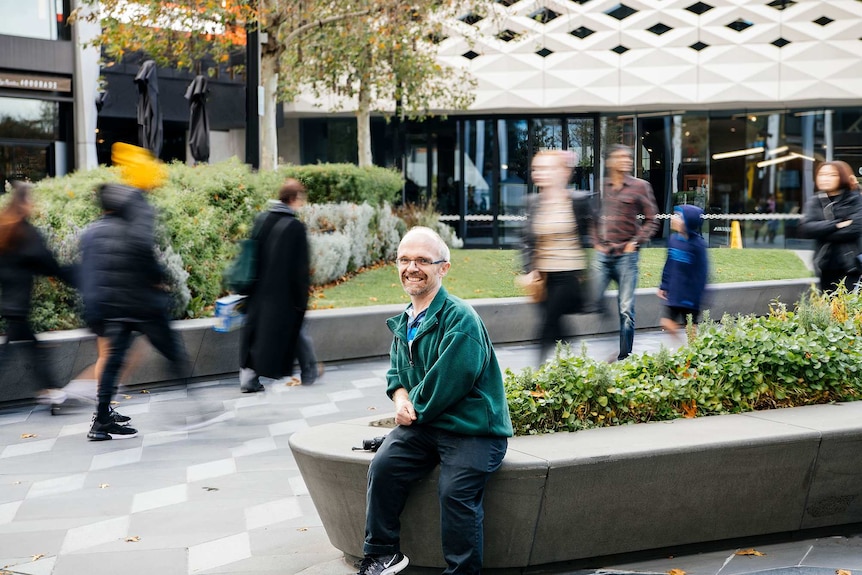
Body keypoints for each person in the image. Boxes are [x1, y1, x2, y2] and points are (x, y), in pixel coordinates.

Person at [358, 226, 512, 575]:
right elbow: (397, 377)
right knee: (383, 468)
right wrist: (400, 400)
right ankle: (383, 554)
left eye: (423, 260)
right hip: (426, 424)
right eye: (404, 259)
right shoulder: (406, 320)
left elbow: (448, 384)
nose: (412, 268)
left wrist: (411, 412)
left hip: (474, 431)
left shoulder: (460, 319)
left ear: (443, 268)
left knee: (455, 494)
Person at [79, 181, 189, 440]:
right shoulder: (128, 229)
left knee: (112, 360)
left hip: (106, 308)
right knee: (163, 354)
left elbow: (87, 272)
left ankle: (102, 417)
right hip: (134, 306)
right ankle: (100, 416)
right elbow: (145, 263)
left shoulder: (92, 232)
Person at [0, 182, 74, 406]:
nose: (34, 204)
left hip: (10, 301)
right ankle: (50, 390)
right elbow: (46, 263)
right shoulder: (25, 232)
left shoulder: (5, 229)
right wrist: (72, 276)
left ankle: (49, 390)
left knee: (28, 348)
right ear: (23, 203)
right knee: (14, 353)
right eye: (31, 200)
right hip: (18, 303)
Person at [521, 149, 595, 363]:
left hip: (568, 274)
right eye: (537, 168)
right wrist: (529, 269)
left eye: (546, 168)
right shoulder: (533, 202)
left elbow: (591, 232)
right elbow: (526, 239)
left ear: (562, 172)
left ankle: (537, 375)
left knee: (547, 324)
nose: (540, 173)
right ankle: (578, 366)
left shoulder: (578, 200)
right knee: (558, 328)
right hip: (543, 278)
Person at [239, 179, 310, 393]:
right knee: (292, 330)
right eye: (301, 198)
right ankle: (309, 370)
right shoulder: (295, 227)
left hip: (257, 292)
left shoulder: (262, 219)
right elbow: (300, 269)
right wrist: (301, 299)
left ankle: (249, 377)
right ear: (293, 198)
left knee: (255, 336)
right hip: (283, 296)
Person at [592, 144, 659, 361]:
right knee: (592, 298)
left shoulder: (641, 187)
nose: (626, 160)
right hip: (604, 254)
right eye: (620, 157)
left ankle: (624, 356)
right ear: (610, 162)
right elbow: (591, 218)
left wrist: (635, 242)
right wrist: (596, 242)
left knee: (626, 309)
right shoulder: (601, 187)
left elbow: (652, 220)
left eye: (628, 157)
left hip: (627, 257)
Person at [798, 161, 862, 293]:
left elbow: (855, 229)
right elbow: (806, 229)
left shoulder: (854, 199)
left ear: (842, 177)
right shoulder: (814, 201)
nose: (825, 178)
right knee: (828, 308)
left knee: (847, 308)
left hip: (851, 266)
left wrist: (822, 231)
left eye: (832, 175)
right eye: (822, 174)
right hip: (824, 265)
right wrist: (837, 224)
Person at [658, 205, 709, 343]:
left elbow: (702, 272)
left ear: (688, 222)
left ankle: (694, 354)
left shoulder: (698, 246)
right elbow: (669, 265)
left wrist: (699, 295)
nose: (672, 218)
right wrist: (664, 285)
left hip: (690, 297)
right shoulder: (673, 240)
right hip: (675, 293)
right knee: (666, 322)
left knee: (691, 329)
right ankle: (681, 347)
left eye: (678, 216)